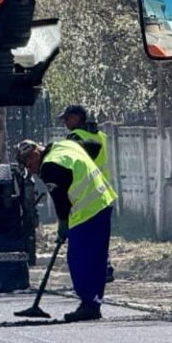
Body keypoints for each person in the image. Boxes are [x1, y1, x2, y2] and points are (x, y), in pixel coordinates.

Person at [16, 136, 116, 323]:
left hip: (86, 211)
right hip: (103, 201)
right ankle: (93, 303)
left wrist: (63, 224)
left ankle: (88, 304)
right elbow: (94, 146)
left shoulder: (49, 167)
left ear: (35, 155)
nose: (32, 171)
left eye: (29, 165)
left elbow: (60, 200)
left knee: (78, 259)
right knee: (96, 258)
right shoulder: (65, 146)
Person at [60, 105, 114, 283]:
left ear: (76, 118)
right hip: (104, 193)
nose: (65, 123)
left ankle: (93, 272)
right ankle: (104, 268)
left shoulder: (75, 138)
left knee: (82, 237)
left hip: (84, 194)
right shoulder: (101, 136)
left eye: (67, 119)